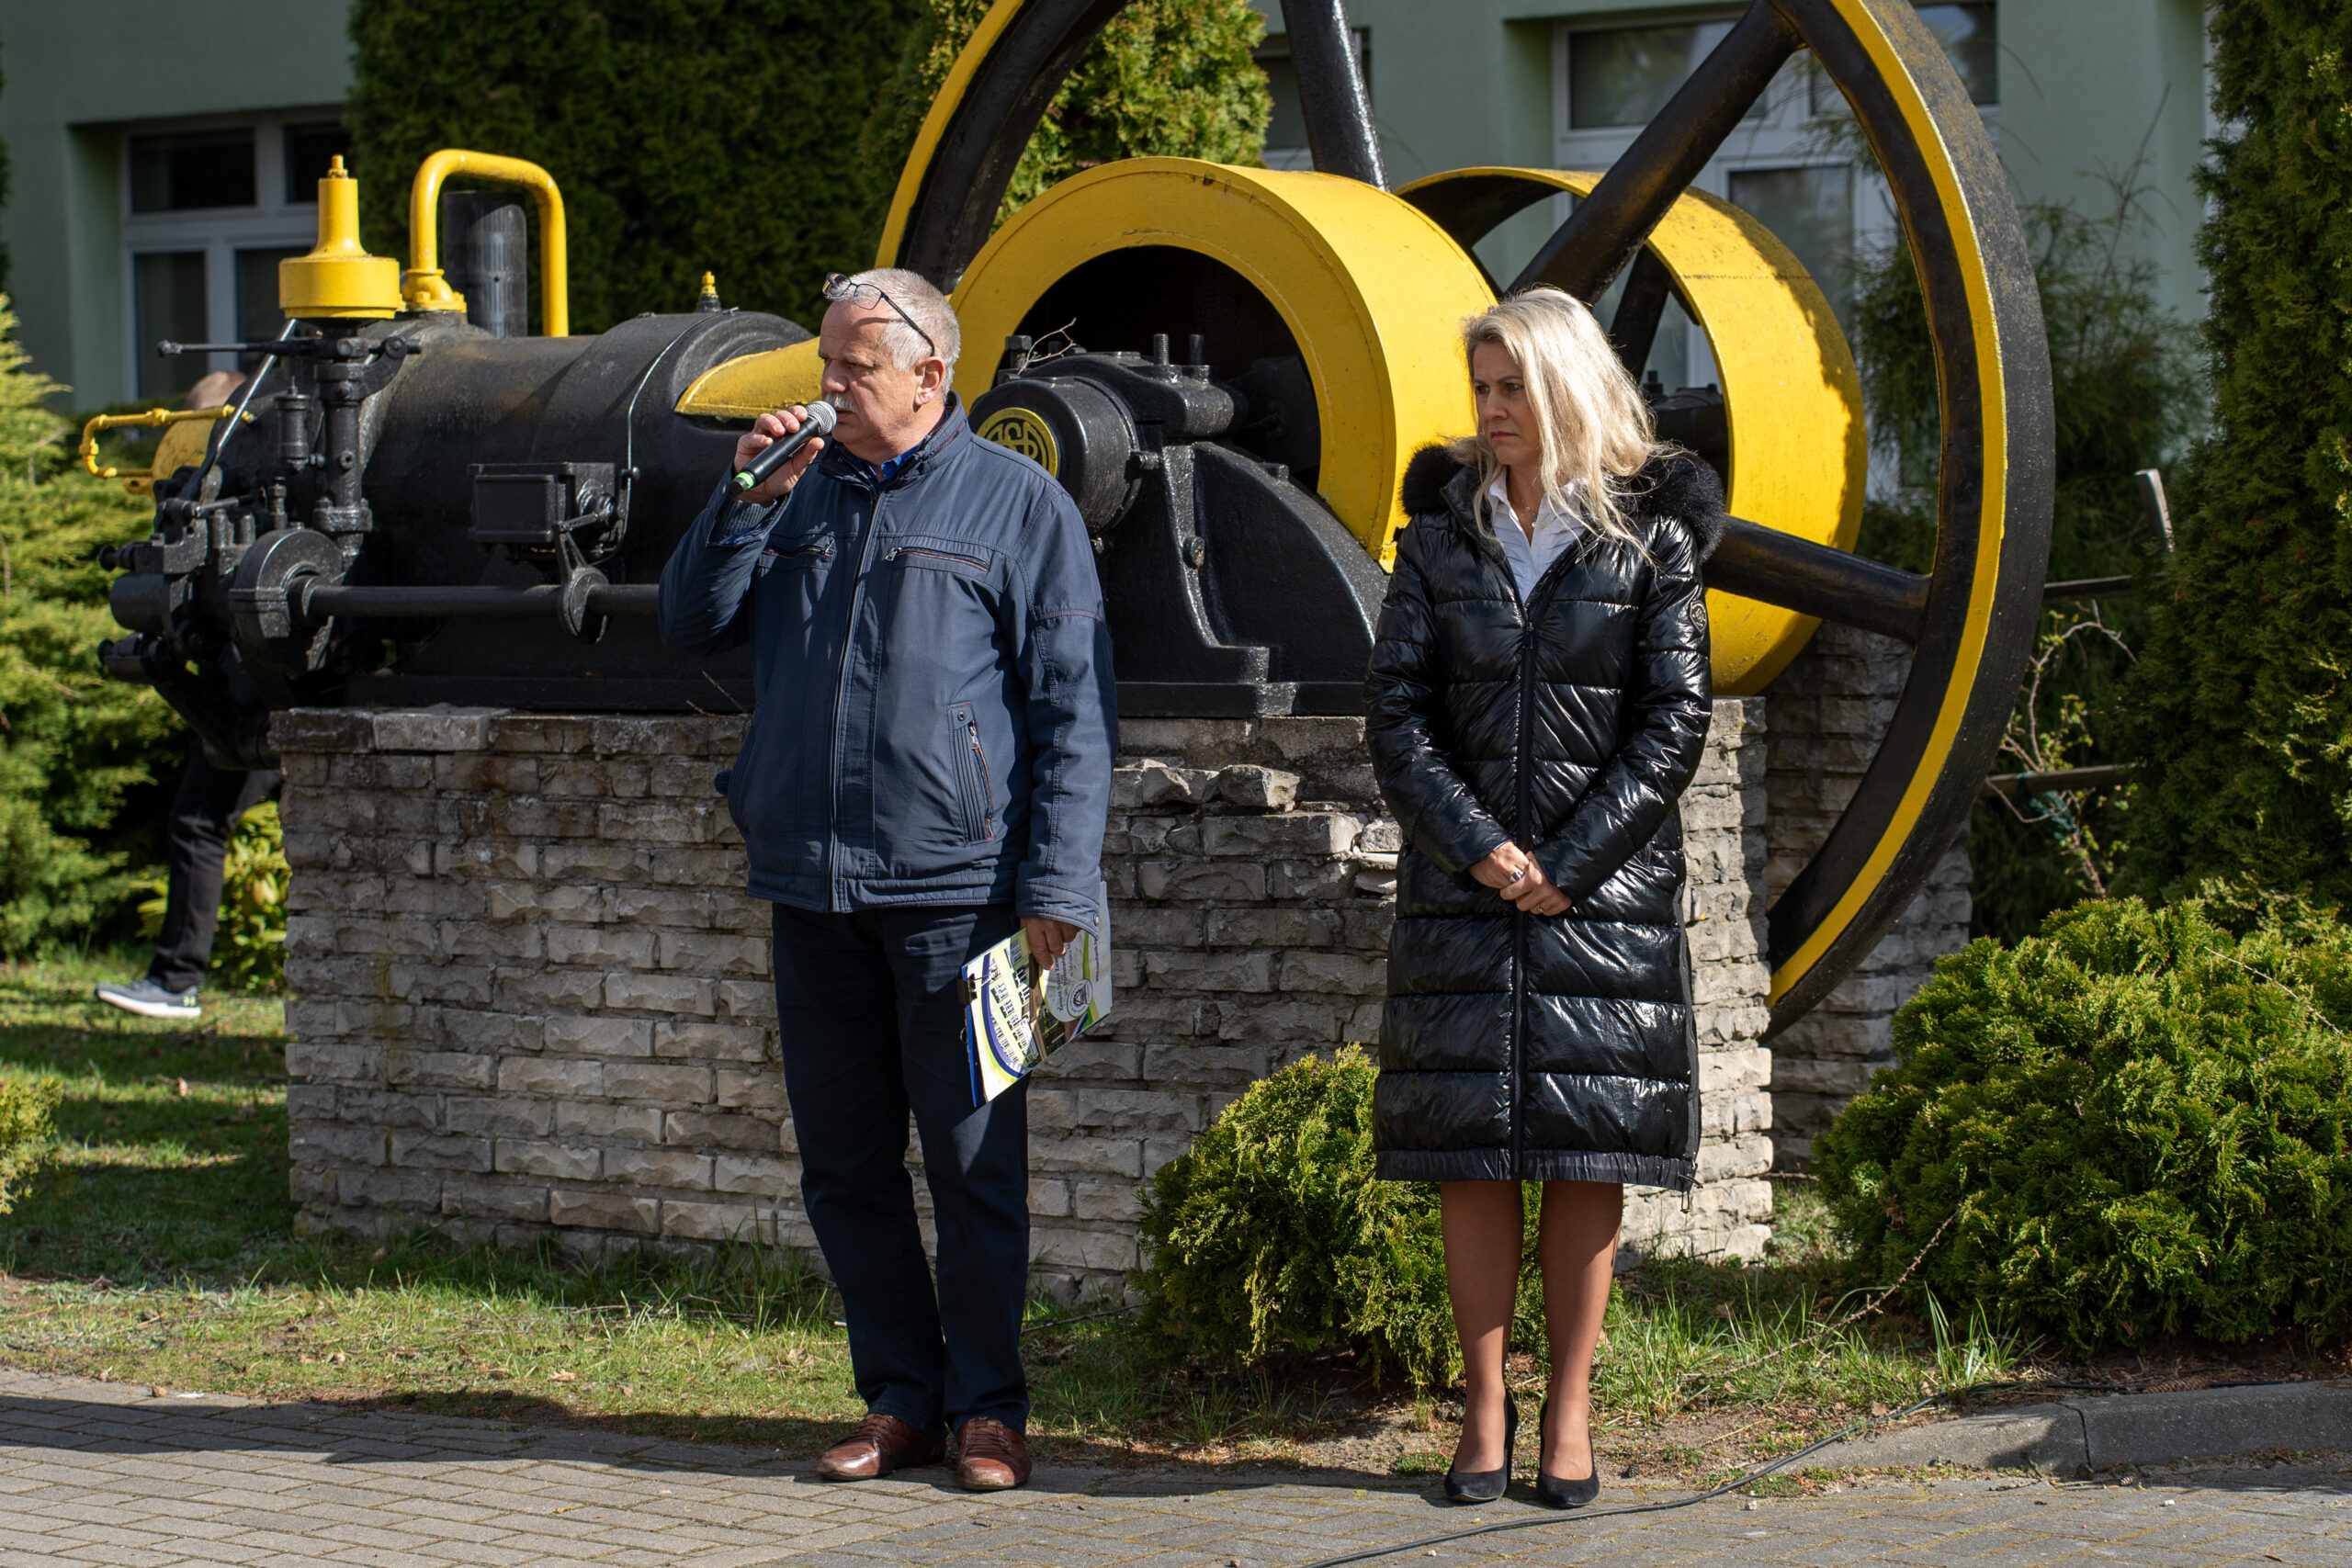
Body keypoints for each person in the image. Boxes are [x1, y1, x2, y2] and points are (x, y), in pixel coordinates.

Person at [658, 269, 1114, 1493]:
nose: (829, 386)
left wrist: (1059, 886)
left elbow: (1073, 711)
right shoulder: (794, 489)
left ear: (930, 374)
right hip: (811, 887)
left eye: (855, 366)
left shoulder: (1019, 504)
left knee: (976, 1165)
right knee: (846, 1166)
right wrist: (745, 497)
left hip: (964, 895)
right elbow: (687, 621)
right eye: (827, 362)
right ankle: (901, 1397)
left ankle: (990, 1409)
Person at [1363, 288, 1722, 1508]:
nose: (1491, 409)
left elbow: (1674, 719)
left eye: (1512, 386)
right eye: (1481, 388)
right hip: (1463, 894)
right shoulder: (1436, 538)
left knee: (1581, 1150)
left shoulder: (1650, 541)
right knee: (1470, 1152)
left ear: (1566, 384)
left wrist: (1570, 860)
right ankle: (1483, 1409)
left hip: (1600, 900)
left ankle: (1569, 1410)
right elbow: (1397, 716)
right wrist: (1480, 849)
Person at [98, 370, 277, 1024]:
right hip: (279, 687)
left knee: (200, 820)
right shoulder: (258, 480)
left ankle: (176, 981)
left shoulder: (218, 490)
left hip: (256, 697)